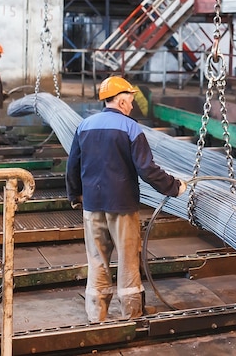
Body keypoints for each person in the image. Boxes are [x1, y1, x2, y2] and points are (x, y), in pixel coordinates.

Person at [65, 76, 187, 322]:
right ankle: (131, 314)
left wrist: (75, 195)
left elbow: (73, 165)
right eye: (130, 102)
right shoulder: (131, 128)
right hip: (122, 205)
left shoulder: (84, 126)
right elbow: (147, 169)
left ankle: (96, 315)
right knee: (128, 260)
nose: (132, 107)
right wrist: (174, 187)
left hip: (92, 205)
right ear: (121, 101)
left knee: (97, 259)